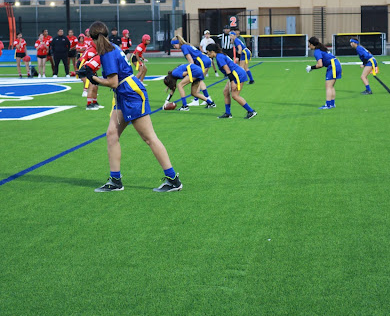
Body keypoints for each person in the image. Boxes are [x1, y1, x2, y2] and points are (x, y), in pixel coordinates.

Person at [79, 21, 182, 193]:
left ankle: (173, 180)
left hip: (131, 94)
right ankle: (115, 180)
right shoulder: (110, 47)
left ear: (92, 38)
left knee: (149, 138)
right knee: (111, 135)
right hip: (124, 94)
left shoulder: (107, 52)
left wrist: (93, 78)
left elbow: (113, 82)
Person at [205, 43, 258, 119]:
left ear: (213, 51)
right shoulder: (220, 55)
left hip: (237, 75)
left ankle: (251, 111)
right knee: (226, 92)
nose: (208, 54)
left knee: (235, 95)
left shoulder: (219, 57)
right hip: (234, 74)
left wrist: (233, 82)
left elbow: (227, 70)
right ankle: (228, 113)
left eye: (208, 52)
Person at [171, 35, 214, 106]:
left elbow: (191, 61)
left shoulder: (184, 47)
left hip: (202, 62)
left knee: (198, 80)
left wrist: (191, 71)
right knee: (198, 80)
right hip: (205, 60)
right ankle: (202, 99)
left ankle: (203, 99)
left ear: (178, 43)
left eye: (174, 45)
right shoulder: (186, 45)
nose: (174, 47)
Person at [306, 36, 342, 109]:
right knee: (331, 86)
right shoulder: (322, 48)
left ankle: (328, 105)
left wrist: (311, 68)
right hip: (336, 64)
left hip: (333, 66)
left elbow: (320, 65)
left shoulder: (317, 51)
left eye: (309, 44)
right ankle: (332, 104)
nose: (308, 45)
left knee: (328, 86)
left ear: (312, 44)